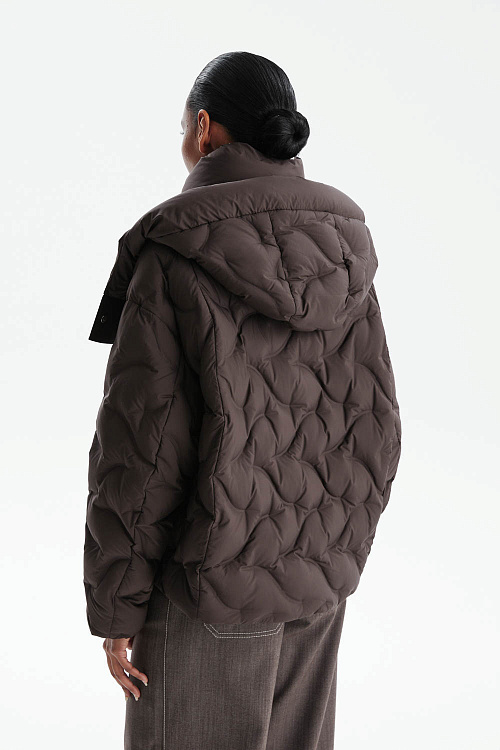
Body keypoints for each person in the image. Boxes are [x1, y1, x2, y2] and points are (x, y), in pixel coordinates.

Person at [83, 51, 402, 750]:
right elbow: (377, 420)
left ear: (204, 128)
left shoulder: (175, 250)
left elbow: (143, 450)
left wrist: (118, 603)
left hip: (207, 590)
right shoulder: (345, 249)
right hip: (316, 584)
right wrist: (333, 550)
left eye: (183, 128)